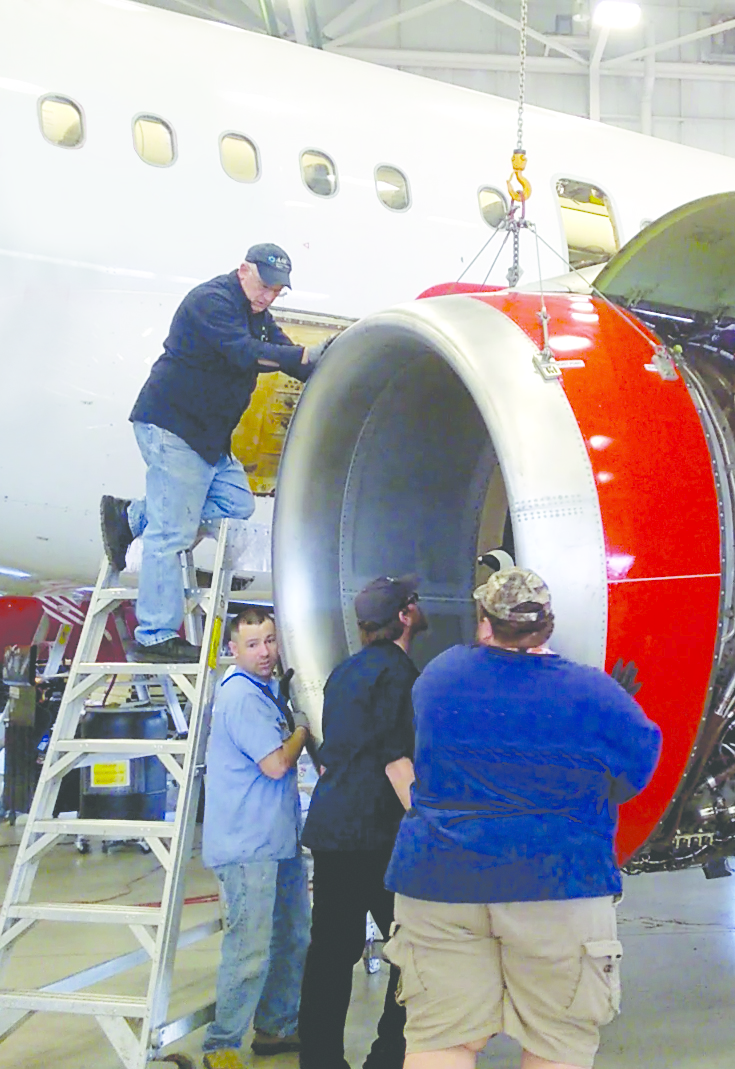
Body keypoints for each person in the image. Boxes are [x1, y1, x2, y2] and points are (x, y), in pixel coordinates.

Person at [383, 567, 663, 1069]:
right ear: (548, 624)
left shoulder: (439, 678)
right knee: (556, 1043)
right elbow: (634, 775)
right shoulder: (594, 693)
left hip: (438, 878)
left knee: (441, 1038)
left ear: (485, 622)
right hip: (558, 882)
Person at [99, 244, 333, 663]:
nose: (268, 296)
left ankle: (132, 517)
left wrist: (325, 360)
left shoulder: (256, 315)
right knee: (172, 533)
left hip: (209, 439)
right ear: (243, 270)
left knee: (236, 503)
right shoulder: (212, 302)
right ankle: (154, 635)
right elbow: (244, 352)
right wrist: (300, 355)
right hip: (175, 426)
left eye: (276, 291)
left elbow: (286, 355)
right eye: (264, 286)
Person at [298, 576, 426, 1069]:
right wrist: (426, 824)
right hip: (378, 836)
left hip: (332, 828)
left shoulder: (342, 673)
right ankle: (388, 1056)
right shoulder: (401, 674)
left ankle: (320, 1060)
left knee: (330, 953)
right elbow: (396, 760)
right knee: (413, 951)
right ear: (405, 616)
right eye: (413, 602)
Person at [201, 607, 311, 1069]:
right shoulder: (242, 696)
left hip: (276, 840)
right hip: (248, 848)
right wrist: (304, 728)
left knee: (293, 937)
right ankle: (221, 1045)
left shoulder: (265, 690)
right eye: (252, 644)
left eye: (269, 640)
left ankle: (275, 1027)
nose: (265, 652)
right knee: (248, 949)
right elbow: (276, 764)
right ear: (233, 649)